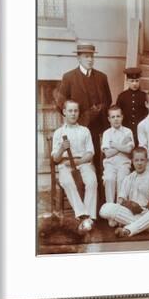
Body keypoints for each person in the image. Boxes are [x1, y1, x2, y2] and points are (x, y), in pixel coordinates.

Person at [57, 42, 112, 172]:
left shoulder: (101, 77)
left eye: (92, 56)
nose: (90, 59)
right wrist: (74, 118)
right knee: (81, 162)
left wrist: (100, 109)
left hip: (99, 128)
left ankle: (99, 191)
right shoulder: (69, 77)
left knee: (99, 160)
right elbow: (60, 103)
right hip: (78, 128)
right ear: (78, 58)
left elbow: (108, 100)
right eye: (86, 56)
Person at [99, 147, 149, 237]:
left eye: (142, 160)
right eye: (136, 160)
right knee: (105, 208)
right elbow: (120, 201)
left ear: (146, 161)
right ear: (132, 161)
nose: (139, 163)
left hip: (148, 212)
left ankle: (130, 228)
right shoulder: (128, 178)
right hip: (132, 213)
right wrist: (128, 204)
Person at [51, 100, 98, 233]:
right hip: (64, 164)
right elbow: (55, 158)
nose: (73, 114)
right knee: (66, 181)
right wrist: (61, 148)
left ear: (79, 113)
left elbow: (90, 153)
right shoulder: (58, 133)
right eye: (70, 111)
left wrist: (79, 162)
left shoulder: (85, 131)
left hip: (83, 162)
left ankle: (88, 217)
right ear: (64, 112)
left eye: (75, 111)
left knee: (92, 181)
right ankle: (84, 215)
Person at [101, 105, 134, 210]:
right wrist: (121, 146)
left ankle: (120, 210)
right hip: (110, 164)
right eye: (113, 117)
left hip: (124, 163)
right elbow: (107, 154)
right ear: (109, 119)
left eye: (118, 116)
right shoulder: (106, 133)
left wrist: (114, 145)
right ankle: (110, 210)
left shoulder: (128, 132)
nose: (116, 119)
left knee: (122, 179)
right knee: (109, 179)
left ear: (122, 117)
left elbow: (129, 150)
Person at [116, 67, 148, 146]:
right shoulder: (122, 96)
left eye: (137, 81)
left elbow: (147, 113)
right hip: (126, 129)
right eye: (132, 81)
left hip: (140, 130)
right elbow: (118, 113)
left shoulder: (144, 96)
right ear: (127, 81)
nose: (134, 83)